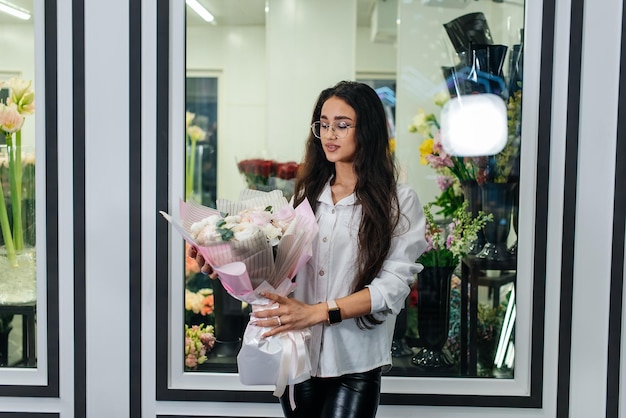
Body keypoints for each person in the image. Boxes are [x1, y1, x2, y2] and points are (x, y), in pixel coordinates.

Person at [190, 81, 427, 417]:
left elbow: (392, 289)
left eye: (342, 125)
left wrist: (316, 312)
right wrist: (224, 262)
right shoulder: (303, 198)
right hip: (297, 355)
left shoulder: (398, 202)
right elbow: (272, 272)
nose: (330, 133)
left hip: (355, 362)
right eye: (324, 124)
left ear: (370, 130)